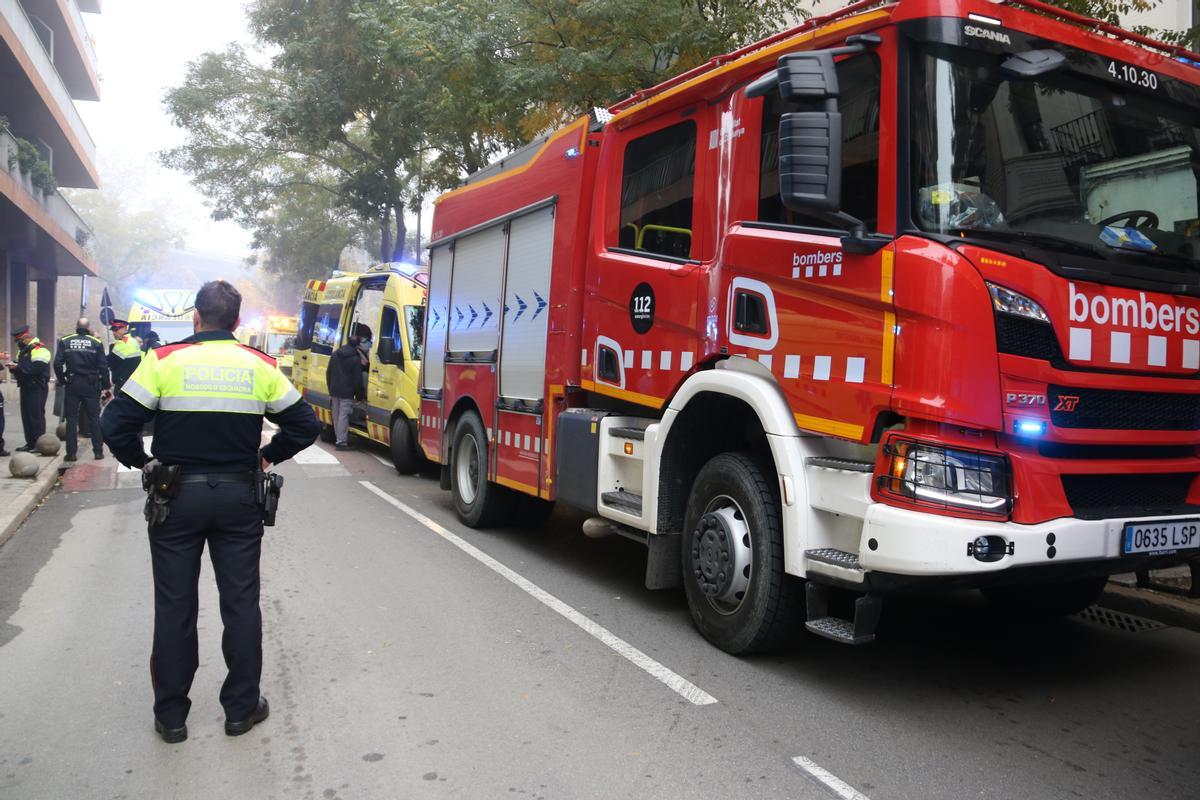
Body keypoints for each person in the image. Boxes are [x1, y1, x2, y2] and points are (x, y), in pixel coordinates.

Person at [101, 280, 320, 744]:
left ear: (195, 318)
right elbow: (304, 424)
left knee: (175, 604)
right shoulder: (258, 365)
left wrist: (144, 463)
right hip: (239, 499)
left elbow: (114, 425)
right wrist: (268, 455)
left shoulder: (162, 361)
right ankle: (241, 710)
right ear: (237, 322)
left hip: (174, 498)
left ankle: (172, 717)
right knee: (240, 603)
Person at [55, 317, 111, 462]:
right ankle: (98, 451)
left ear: (76, 326)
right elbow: (103, 367)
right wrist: (105, 386)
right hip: (91, 385)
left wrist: (62, 380)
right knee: (94, 418)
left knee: (71, 419)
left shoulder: (65, 340)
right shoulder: (96, 342)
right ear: (88, 327)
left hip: (72, 383)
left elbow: (57, 363)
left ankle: (71, 453)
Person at [7, 325, 51, 452]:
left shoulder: (39, 349)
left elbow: (36, 368)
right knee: (26, 416)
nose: (18, 343)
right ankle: (30, 442)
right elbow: (22, 367)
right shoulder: (23, 350)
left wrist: (18, 368)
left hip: (37, 386)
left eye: (19, 340)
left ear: (26, 338)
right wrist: (13, 368)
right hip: (26, 386)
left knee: (36, 415)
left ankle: (39, 443)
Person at [325, 334, 367, 450]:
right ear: (357, 345)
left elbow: (328, 372)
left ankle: (339, 439)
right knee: (343, 416)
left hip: (334, 390)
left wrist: (330, 388)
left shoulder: (335, 354)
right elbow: (357, 379)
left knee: (336, 415)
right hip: (347, 392)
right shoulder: (355, 358)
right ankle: (341, 442)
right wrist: (359, 396)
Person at [107, 319, 142, 393]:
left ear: (125, 329)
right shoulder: (133, 341)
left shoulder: (123, 343)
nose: (113, 332)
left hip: (123, 384)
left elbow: (108, 362)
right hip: (133, 382)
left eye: (116, 329)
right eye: (113, 330)